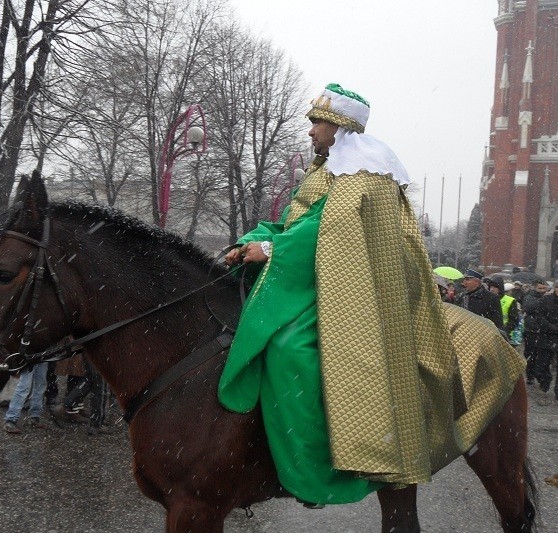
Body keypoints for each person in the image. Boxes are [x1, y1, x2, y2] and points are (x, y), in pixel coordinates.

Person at [218, 83, 522, 505]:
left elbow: (333, 235)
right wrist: (251, 240)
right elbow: (290, 223)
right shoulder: (323, 172)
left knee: (290, 347)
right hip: (307, 275)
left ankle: (315, 466)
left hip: (349, 289)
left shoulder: (366, 173)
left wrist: (272, 250)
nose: (310, 132)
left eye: (316, 122)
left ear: (340, 123)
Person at [4, 362, 51, 433]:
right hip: (32, 356)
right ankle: (10, 420)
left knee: (39, 386)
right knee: (25, 387)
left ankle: (34, 417)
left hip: (39, 356)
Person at [522, 280, 549, 385]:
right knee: (530, 354)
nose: (542, 290)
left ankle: (540, 375)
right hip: (531, 330)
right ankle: (530, 375)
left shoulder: (547, 298)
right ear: (535, 288)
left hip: (544, 330)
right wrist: (543, 301)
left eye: (543, 288)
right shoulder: (529, 297)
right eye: (540, 288)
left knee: (543, 355)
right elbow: (529, 308)